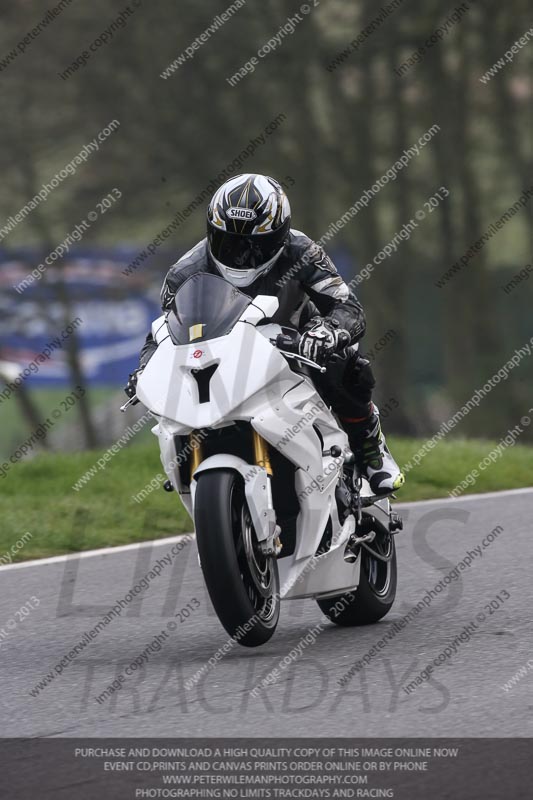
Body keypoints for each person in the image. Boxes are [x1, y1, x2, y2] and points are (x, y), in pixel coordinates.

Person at [125, 173, 404, 495]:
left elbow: (347, 306)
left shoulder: (302, 252)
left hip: (296, 340)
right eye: (229, 242)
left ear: (280, 236)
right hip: (225, 351)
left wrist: (329, 332)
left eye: (256, 244)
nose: (242, 253)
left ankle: (370, 446)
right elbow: (161, 333)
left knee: (347, 362)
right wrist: (145, 367)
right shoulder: (186, 271)